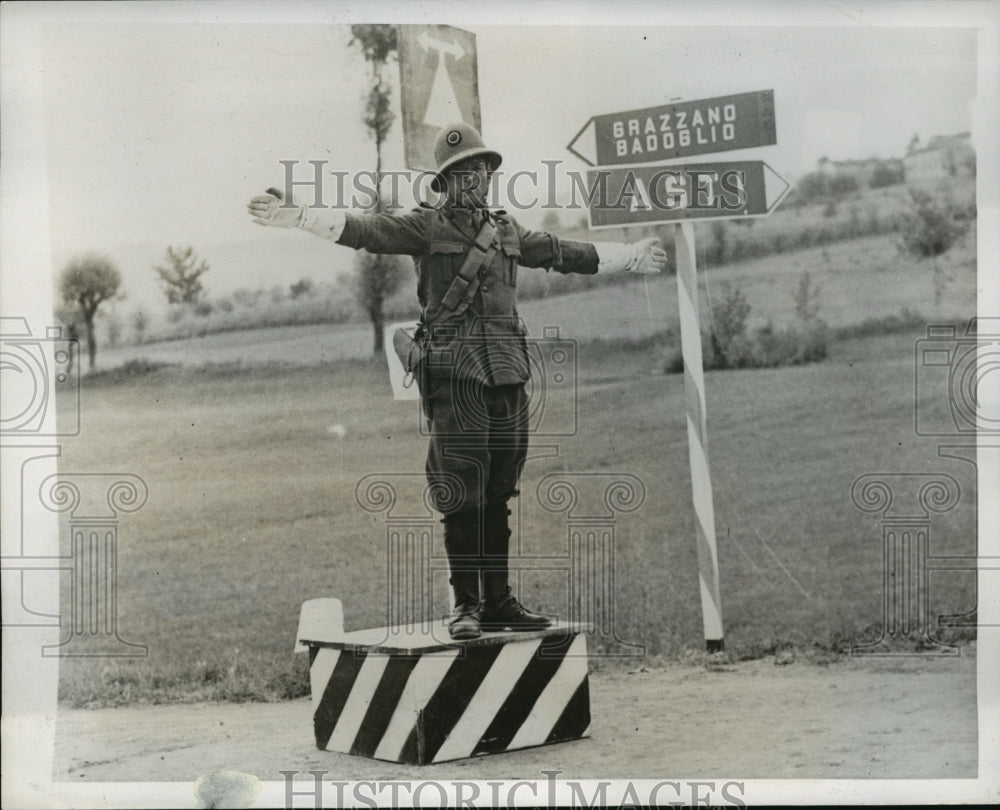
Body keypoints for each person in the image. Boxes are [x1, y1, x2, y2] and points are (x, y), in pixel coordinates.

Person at [248, 122, 665, 640]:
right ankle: (466, 607)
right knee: (460, 491)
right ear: (444, 181)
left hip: (508, 374)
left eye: (483, 170)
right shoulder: (426, 227)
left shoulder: (507, 231)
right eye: (464, 172)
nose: (476, 179)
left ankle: (499, 604)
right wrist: (301, 216)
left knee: (499, 490)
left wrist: (631, 256)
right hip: (455, 376)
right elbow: (367, 231)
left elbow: (562, 251)